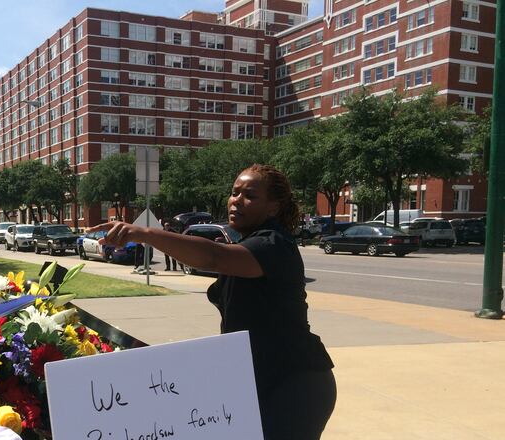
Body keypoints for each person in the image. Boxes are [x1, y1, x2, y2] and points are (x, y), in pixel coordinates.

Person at [89, 164, 335, 440]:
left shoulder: (273, 245)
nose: (236, 200)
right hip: (260, 379)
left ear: (273, 207)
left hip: (295, 383)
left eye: (250, 195)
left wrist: (143, 234)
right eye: (234, 192)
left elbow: (212, 257)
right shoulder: (251, 242)